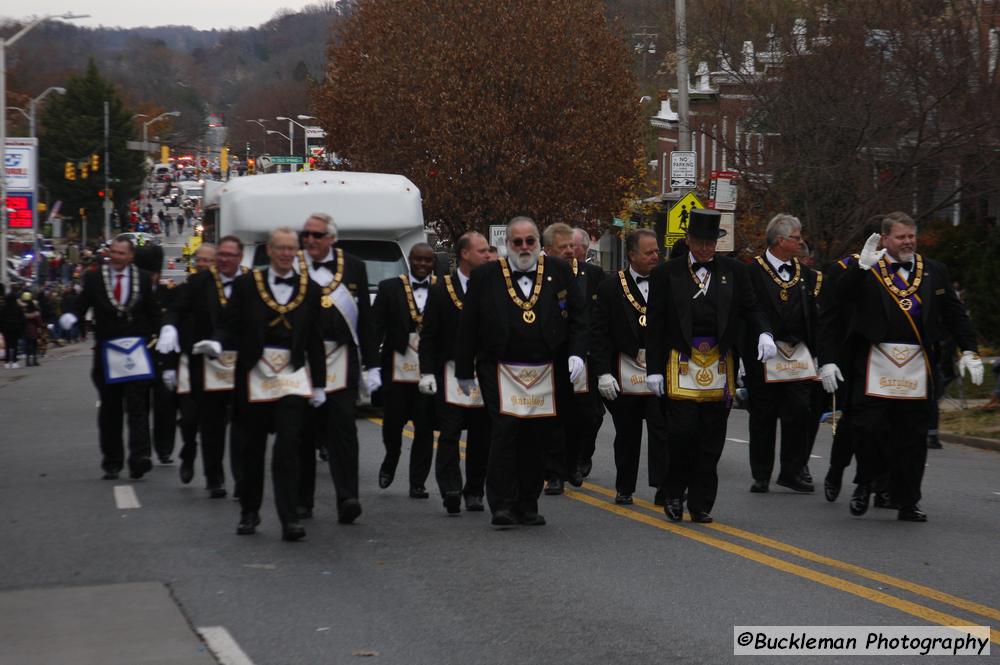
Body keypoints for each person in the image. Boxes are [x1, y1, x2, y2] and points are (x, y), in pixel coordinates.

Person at [819, 211, 982, 522]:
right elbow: (837, 303)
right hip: (874, 363)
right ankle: (866, 480)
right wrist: (860, 269)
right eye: (900, 237)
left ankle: (908, 501)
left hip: (916, 366)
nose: (908, 242)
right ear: (885, 239)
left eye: (911, 236)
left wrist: (970, 350)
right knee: (868, 430)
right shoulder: (866, 268)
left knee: (912, 437)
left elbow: (954, 315)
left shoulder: (935, 271)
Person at [193, 227, 327, 541]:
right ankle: (249, 512)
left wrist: (318, 384)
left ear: (297, 252)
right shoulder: (246, 285)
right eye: (279, 248)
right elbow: (229, 324)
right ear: (269, 250)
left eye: (290, 249)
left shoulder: (310, 289)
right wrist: (216, 343)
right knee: (252, 447)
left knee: (288, 447)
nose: (285, 254)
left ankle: (290, 518)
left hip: (291, 376)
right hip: (254, 374)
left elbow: (315, 341)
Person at [454, 216, 588, 528]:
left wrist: (577, 354)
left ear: (539, 244)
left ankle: (528, 504)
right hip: (499, 367)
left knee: (536, 437)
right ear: (507, 245)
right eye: (518, 242)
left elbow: (580, 316)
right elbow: (469, 325)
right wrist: (463, 369)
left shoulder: (559, 271)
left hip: (545, 368)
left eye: (530, 241)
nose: (524, 247)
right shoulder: (486, 275)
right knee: (505, 433)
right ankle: (502, 504)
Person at [646, 209, 775, 523]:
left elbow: (752, 307)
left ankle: (701, 502)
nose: (705, 248)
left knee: (711, 438)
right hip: (681, 361)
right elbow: (655, 324)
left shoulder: (735, 272)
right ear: (688, 240)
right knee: (681, 434)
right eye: (699, 242)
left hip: (719, 363)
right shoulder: (667, 273)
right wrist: (652, 368)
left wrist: (765, 332)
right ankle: (674, 492)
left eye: (710, 243)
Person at [297, 213, 380, 523]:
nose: (310, 240)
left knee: (344, 430)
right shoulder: (295, 264)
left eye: (316, 235)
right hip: (304, 361)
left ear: (330, 238)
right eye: (306, 234)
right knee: (304, 432)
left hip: (341, 357)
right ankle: (303, 501)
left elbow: (366, 321)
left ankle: (348, 497)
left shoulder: (354, 265)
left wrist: (374, 366)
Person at [59, 237, 162, 480]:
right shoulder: (94, 278)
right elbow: (82, 304)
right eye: (113, 252)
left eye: (121, 253)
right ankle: (112, 460)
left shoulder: (144, 279)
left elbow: (152, 311)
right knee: (110, 408)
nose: (116, 257)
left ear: (131, 256)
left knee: (138, 406)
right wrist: (72, 317)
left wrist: (164, 332)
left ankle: (139, 458)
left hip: (136, 350)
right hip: (107, 351)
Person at [743, 214, 821, 494]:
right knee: (763, 415)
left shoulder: (805, 274)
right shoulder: (751, 271)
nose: (801, 242)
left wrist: (817, 352)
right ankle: (761, 473)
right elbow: (748, 310)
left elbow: (812, 313)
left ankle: (792, 470)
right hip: (765, 354)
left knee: (799, 412)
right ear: (780, 240)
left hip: (797, 353)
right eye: (796, 238)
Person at [418, 231, 492, 514]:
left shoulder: (493, 287)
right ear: (465, 254)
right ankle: (450, 487)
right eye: (482, 251)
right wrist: (426, 372)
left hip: (484, 371)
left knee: (481, 434)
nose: (487, 255)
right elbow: (429, 336)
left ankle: (474, 490)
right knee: (449, 432)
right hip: (449, 372)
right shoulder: (440, 290)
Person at [592, 228, 667, 505]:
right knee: (627, 433)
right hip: (624, 370)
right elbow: (599, 334)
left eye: (657, 250)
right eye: (649, 252)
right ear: (632, 255)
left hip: (658, 370)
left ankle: (663, 486)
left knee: (662, 430)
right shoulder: (610, 287)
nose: (655, 256)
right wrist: (602, 373)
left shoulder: (667, 282)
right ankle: (625, 487)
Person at [159, 243, 239, 497]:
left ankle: (243, 479)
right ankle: (214, 477)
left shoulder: (250, 282)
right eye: (202, 259)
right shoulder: (197, 284)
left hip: (240, 363)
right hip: (201, 363)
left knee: (241, 424)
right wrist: (169, 327)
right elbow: (175, 310)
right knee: (208, 422)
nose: (207, 264)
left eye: (214, 259)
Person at [371, 243, 437, 498]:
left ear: (433, 263)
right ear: (409, 260)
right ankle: (391, 458)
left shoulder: (441, 288)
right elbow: (376, 327)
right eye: (418, 259)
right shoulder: (389, 288)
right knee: (392, 425)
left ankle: (417, 483)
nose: (422, 264)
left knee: (424, 428)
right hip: (396, 369)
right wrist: (371, 364)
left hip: (427, 371)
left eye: (427, 260)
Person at [571, 226, 608, 479]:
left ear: (584, 249)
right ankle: (557, 469)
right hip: (563, 354)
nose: (568, 251)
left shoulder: (596, 276)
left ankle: (583, 454)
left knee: (592, 414)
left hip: (591, 356)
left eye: (572, 246)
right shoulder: (553, 274)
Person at [2, 286, 25, 369]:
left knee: (7, 345)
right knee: (14, 345)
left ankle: (7, 362)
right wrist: (21, 328)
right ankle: (14, 361)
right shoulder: (18, 308)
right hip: (15, 328)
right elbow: (22, 319)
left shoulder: (3, 308)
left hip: (6, 329)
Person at [21, 292, 42, 367]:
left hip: (25, 329)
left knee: (27, 345)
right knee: (34, 345)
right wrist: (39, 327)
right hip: (33, 329)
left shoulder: (22, 309)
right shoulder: (34, 309)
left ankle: (27, 361)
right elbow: (38, 320)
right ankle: (34, 360)